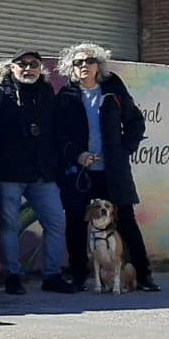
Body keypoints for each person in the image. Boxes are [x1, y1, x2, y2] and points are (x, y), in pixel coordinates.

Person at [53, 43, 161, 293]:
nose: (83, 66)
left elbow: (135, 122)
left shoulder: (113, 88)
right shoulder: (66, 96)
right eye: (77, 63)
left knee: (125, 220)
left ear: (98, 65)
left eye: (89, 61)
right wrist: (76, 155)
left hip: (112, 170)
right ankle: (79, 276)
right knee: (77, 222)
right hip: (79, 172)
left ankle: (143, 275)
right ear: (71, 67)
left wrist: (123, 151)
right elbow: (58, 135)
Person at [0, 50, 71, 295]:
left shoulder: (47, 92)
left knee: (56, 222)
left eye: (33, 64)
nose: (27, 69)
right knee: (10, 226)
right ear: (11, 67)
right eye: (21, 64)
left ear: (40, 68)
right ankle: (13, 275)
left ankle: (52, 274)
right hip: (10, 173)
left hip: (43, 173)